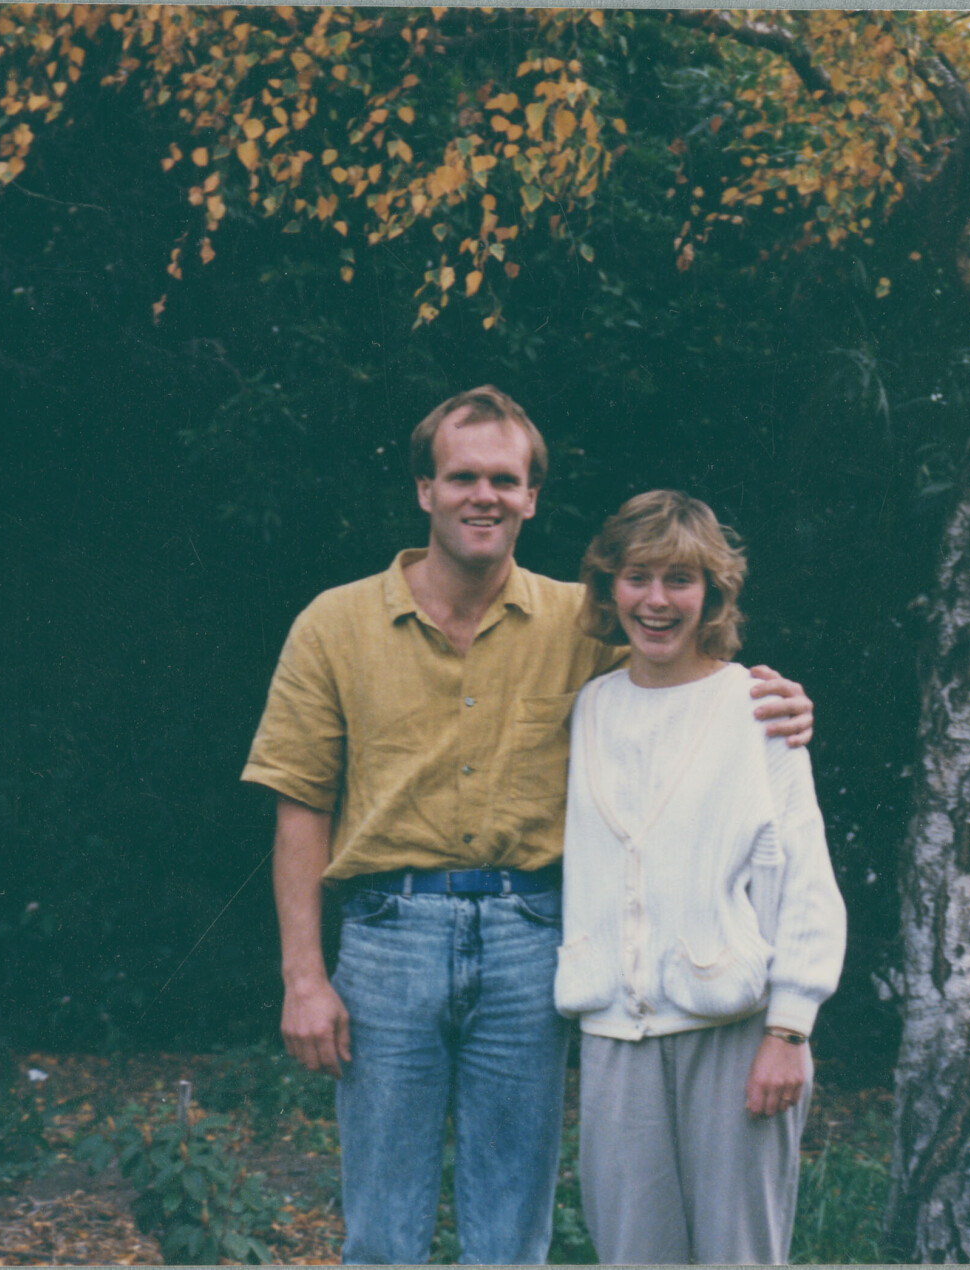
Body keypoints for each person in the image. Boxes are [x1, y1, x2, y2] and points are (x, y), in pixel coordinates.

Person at [241, 388, 816, 1265]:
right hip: (388, 942)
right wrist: (302, 976)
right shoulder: (335, 624)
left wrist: (771, 699)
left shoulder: (580, 624)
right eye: (462, 476)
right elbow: (300, 804)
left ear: (532, 497)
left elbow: (683, 675)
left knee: (511, 1236)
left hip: (530, 943)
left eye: (505, 480)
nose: (485, 496)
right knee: (382, 1233)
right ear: (425, 489)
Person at [556, 489, 846, 1265]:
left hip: (735, 1032)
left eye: (679, 580)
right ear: (609, 587)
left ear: (712, 595)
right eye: (638, 577)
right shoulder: (588, 707)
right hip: (615, 1036)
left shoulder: (757, 707)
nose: (656, 601)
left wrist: (790, 1029)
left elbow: (805, 879)